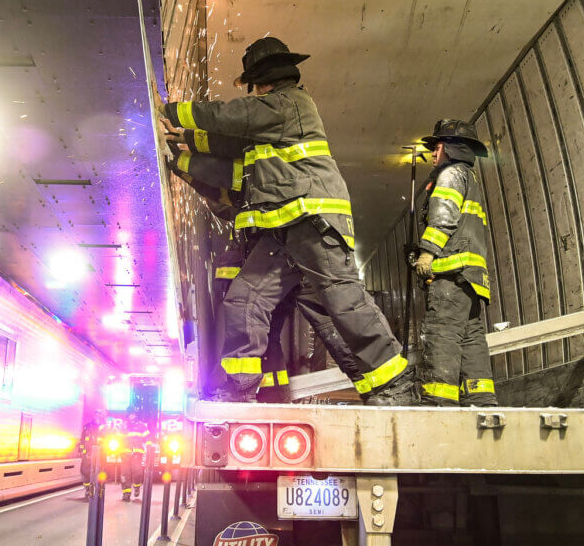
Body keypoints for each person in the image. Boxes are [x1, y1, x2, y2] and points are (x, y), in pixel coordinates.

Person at [160, 36, 417, 405]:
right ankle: (241, 390)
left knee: (343, 302)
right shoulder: (270, 123)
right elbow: (230, 143)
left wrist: (170, 112)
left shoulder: (288, 104)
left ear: (262, 82)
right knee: (244, 301)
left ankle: (394, 386)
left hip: (314, 219)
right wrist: (181, 143)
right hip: (282, 232)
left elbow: (231, 117)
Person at [170, 149, 373, 401]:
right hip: (295, 261)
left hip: (284, 260)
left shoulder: (266, 181)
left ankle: (245, 389)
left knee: (254, 314)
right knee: (315, 327)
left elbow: (226, 196)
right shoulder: (267, 186)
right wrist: (187, 172)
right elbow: (223, 199)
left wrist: (182, 162)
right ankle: (369, 384)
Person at [410, 119, 498, 407]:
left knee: (442, 334)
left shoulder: (449, 175)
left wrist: (427, 253)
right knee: (471, 338)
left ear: (448, 147)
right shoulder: (470, 179)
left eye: (436, 147)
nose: (433, 154)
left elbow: (443, 217)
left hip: (451, 274)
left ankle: (439, 402)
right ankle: (481, 399)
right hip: (472, 278)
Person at [120, 411, 151, 501]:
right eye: (130, 414)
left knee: (138, 472)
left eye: (133, 414)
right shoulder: (123, 426)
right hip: (125, 453)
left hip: (137, 453)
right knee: (125, 474)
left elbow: (147, 437)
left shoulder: (141, 426)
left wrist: (149, 445)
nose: (131, 416)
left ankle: (137, 487)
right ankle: (126, 493)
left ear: (136, 415)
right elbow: (118, 438)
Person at [78, 411, 106, 499]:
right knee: (85, 471)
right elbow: (82, 439)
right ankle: (88, 489)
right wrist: (82, 449)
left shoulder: (103, 428)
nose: (97, 416)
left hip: (99, 454)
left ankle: (98, 490)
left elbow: (107, 440)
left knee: (98, 472)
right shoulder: (87, 426)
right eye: (95, 415)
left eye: (99, 415)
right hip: (87, 453)